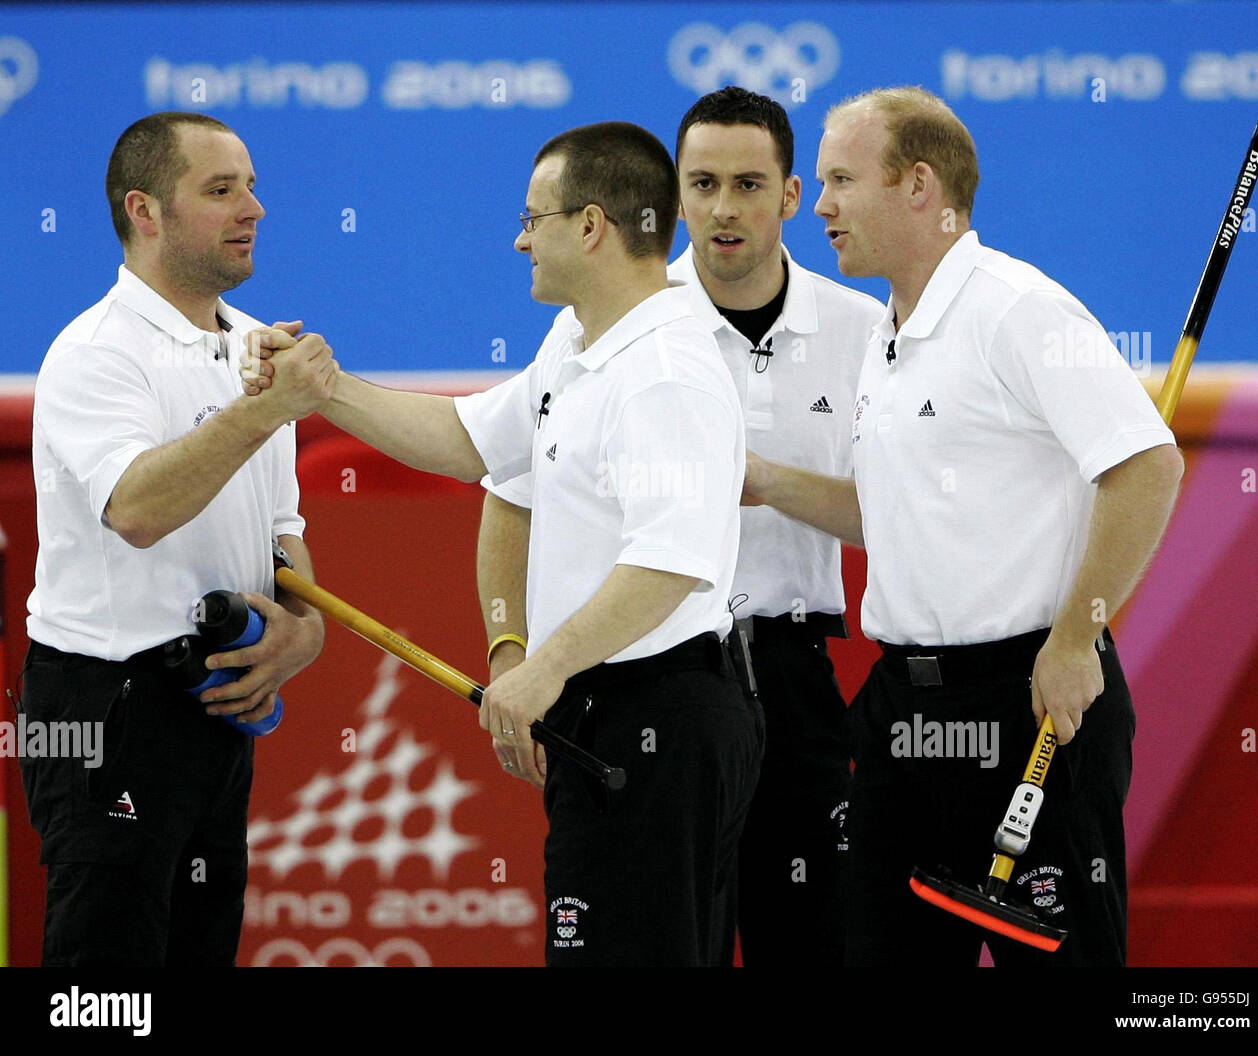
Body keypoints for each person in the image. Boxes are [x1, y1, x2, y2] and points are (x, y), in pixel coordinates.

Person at [248, 121, 763, 967]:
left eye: (535, 217)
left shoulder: (666, 375)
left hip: (662, 724)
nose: (520, 238)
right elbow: (468, 439)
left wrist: (545, 667)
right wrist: (323, 389)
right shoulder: (579, 340)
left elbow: (671, 564)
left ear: (591, 227)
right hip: (605, 716)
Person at [743, 87, 1184, 966]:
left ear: (917, 185)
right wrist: (756, 480)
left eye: (840, 180)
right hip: (904, 714)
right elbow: (889, 515)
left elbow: (1147, 466)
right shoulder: (887, 335)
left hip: (1030, 701)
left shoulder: (1017, 310)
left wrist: (1075, 638)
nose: (819, 204)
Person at [477, 87, 883, 965]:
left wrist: (764, 480)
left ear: (791, 195)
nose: (723, 209)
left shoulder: (862, 331)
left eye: (747, 183)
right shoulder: (603, 324)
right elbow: (508, 488)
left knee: (811, 941)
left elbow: (894, 518)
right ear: (671, 197)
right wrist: (513, 652)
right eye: (701, 183)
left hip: (788, 674)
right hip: (639, 684)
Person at [20, 111, 335, 966]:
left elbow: (281, 531)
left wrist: (303, 630)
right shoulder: (96, 353)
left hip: (215, 704)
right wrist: (265, 409)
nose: (255, 208)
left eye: (254, 186)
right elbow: (136, 509)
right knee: (106, 989)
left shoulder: (251, 345)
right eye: (222, 189)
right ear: (145, 210)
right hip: (103, 704)